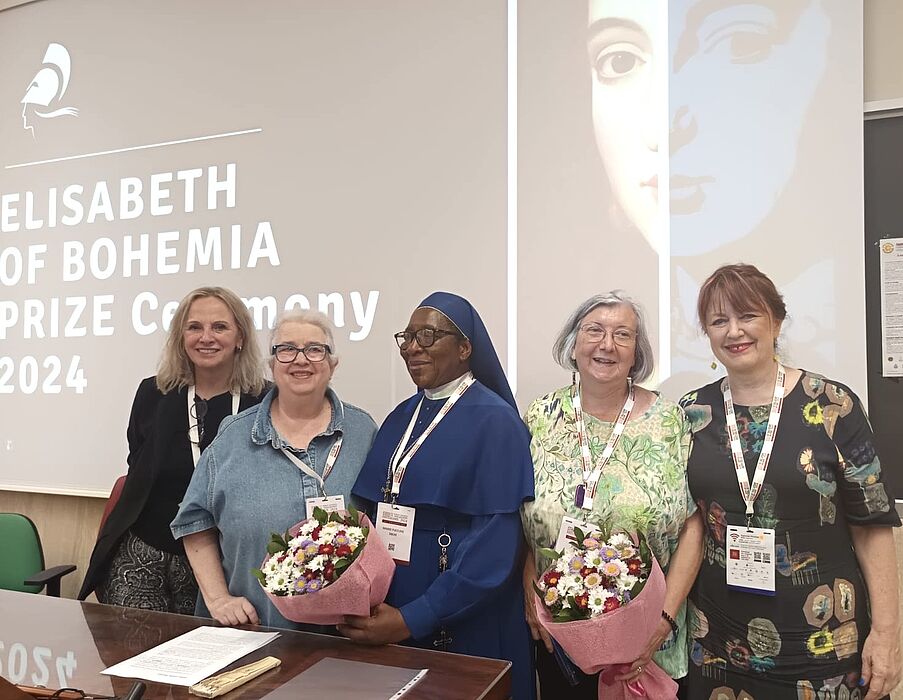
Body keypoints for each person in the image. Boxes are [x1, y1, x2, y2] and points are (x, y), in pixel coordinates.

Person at [681, 263, 901, 699]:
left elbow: (872, 524)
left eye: (747, 316)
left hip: (822, 638)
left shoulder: (834, 405)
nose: (734, 331)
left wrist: (888, 631)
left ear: (776, 321)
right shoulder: (693, 412)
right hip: (717, 637)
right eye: (719, 320)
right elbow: (690, 522)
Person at [341, 292, 535, 700]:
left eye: (427, 336)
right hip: (390, 614)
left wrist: (414, 617)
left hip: (461, 617)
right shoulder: (399, 417)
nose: (412, 347)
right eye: (407, 337)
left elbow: (494, 551)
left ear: (466, 348)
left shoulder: (495, 422)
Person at [521, 291, 702, 698]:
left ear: (637, 353)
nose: (606, 344)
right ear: (573, 344)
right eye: (594, 331)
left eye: (623, 334)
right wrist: (529, 587)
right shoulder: (541, 416)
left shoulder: (670, 421)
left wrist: (664, 619)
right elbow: (528, 519)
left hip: (650, 644)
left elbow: (693, 527)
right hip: (562, 637)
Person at [170, 310, 377, 628]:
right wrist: (218, 600)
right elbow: (194, 522)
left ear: (332, 365)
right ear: (271, 365)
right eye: (287, 349)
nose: (300, 360)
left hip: (346, 637)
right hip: (252, 630)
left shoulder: (363, 431)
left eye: (315, 349)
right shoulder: (232, 437)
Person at [78, 286, 268, 611]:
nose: (206, 337)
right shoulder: (153, 393)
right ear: (181, 337)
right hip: (143, 553)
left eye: (219, 327)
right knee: (133, 659)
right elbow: (137, 465)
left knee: (208, 659)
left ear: (240, 338)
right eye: (194, 327)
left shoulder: (264, 401)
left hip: (223, 563)